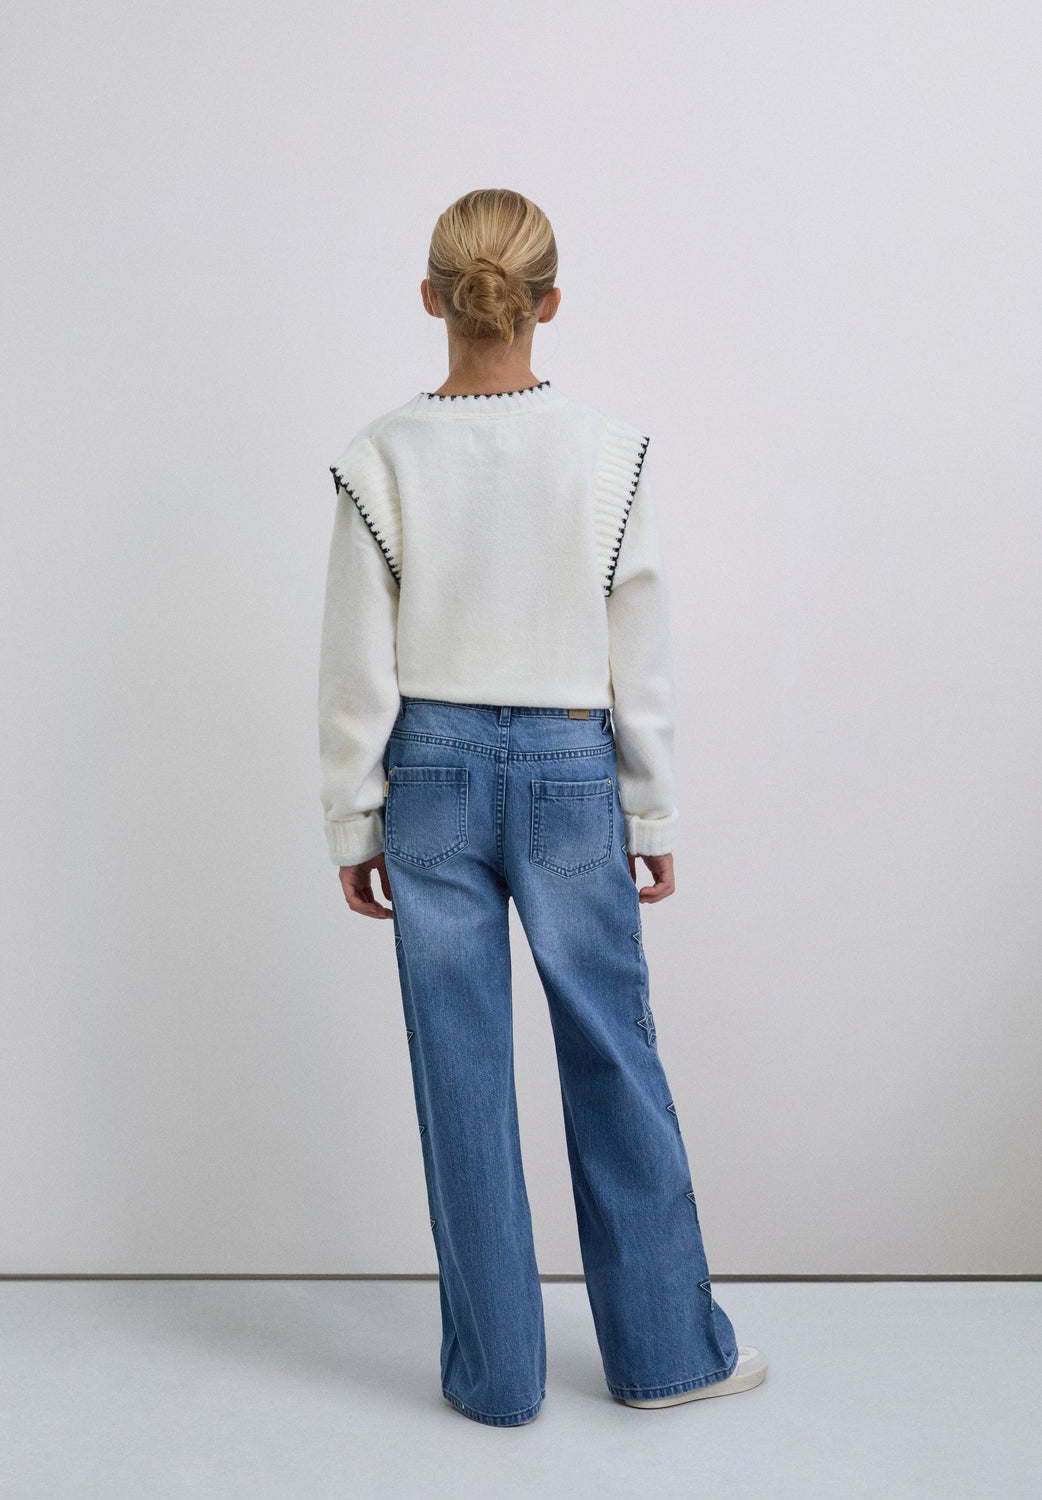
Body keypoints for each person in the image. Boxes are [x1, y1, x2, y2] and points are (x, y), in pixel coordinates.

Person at [317, 187, 767, 1428]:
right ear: (548, 304)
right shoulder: (609, 452)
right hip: (574, 768)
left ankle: (497, 1379)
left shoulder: (377, 457)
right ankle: (667, 1357)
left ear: (430, 299)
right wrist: (650, 816)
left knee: (458, 1071)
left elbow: (355, 663)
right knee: (613, 1056)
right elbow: (641, 653)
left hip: (431, 772)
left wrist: (354, 820)